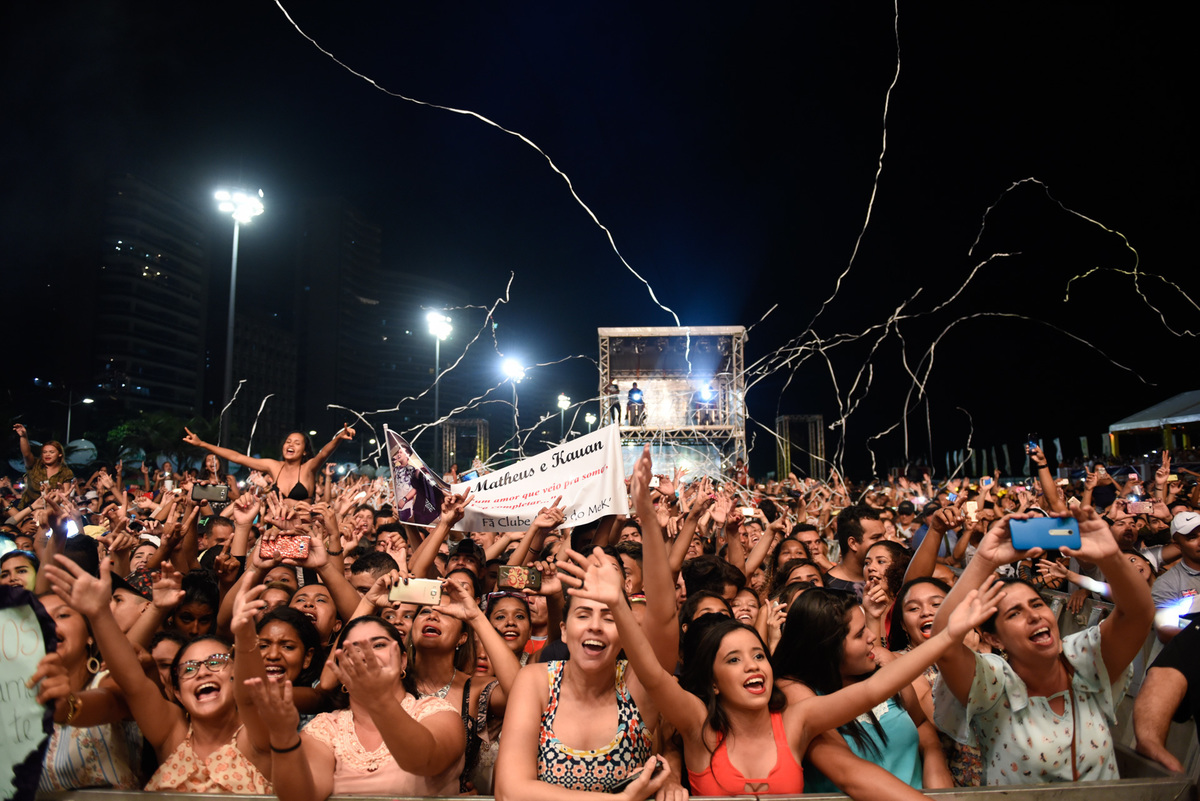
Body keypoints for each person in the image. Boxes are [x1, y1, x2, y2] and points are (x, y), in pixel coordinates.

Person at [556, 545, 1000, 797]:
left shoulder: (796, 722)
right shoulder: (698, 728)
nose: (752, 665)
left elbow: (879, 686)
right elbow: (652, 673)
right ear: (711, 680)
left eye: (757, 654)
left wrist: (946, 638)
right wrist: (616, 603)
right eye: (733, 660)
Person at [931, 507, 1154, 785]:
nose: (1034, 615)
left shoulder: (1085, 661)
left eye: (1037, 604)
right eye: (1014, 613)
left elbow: (1137, 614)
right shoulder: (993, 685)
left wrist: (1110, 556)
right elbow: (944, 642)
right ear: (994, 639)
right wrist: (984, 560)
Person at [43, 555, 272, 793]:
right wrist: (99, 614)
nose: (202, 672)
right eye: (190, 668)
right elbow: (133, 683)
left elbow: (251, 696)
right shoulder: (172, 733)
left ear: (236, 677)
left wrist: (245, 634)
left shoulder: (257, 736)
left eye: (215, 662)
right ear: (177, 692)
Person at [252, 616, 467, 799]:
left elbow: (423, 761)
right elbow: (303, 797)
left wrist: (379, 700)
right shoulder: (327, 728)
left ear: (403, 661)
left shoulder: (436, 711)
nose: (366, 655)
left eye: (379, 645)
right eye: (352, 650)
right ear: (340, 670)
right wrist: (283, 738)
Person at [182, 425, 355, 502]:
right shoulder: (273, 466)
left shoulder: (308, 468)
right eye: (288, 441)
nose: (290, 445)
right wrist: (202, 444)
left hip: (302, 529)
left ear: (304, 451)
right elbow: (237, 457)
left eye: (296, 443)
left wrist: (339, 438)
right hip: (275, 528)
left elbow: (324, 453)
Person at [14, 423, 75, 508]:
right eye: (44, 452)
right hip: (29, 508)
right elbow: (26, 454)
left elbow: (65, 497)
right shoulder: (35, 464)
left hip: (51, 510)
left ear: (60, 454)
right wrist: (23, 436)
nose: (47, 455)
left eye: (51, 452)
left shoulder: (65, 472)